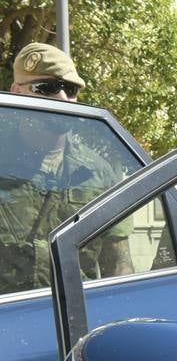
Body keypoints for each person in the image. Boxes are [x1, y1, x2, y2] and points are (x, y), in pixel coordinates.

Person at [2, 42, 133, 294]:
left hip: (75, 322)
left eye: (70, 89)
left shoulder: (99, 173)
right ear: (17, 92)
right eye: (47, 88)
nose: (63, 98)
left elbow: (119, 265)